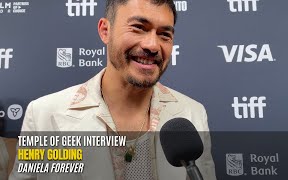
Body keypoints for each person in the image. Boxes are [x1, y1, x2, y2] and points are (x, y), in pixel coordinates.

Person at [9, 0, 217, 179]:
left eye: (164, 34)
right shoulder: (44, 114)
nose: (153, 45)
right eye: (138, 27)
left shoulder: (193, 113)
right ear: (105, 31)